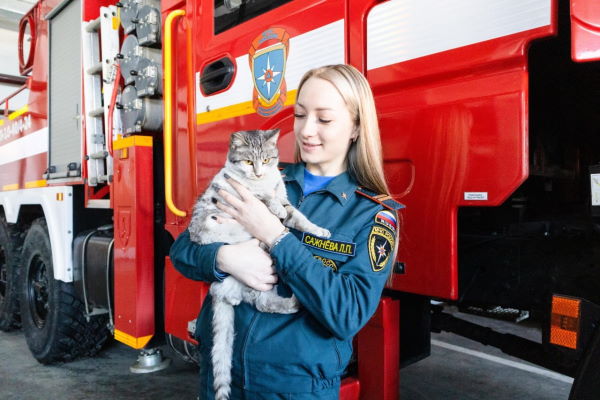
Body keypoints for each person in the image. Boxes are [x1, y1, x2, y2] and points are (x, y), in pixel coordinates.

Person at [169, 64, 403, 399]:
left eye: (324, 119)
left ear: (355, 128)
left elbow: (347, 314)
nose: (307, 130)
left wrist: (275, 237)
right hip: (222, 377)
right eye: (300, 115)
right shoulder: (256, 176)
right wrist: (224, 258)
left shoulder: (371, 213)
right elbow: (182, 252)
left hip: (294, 387)